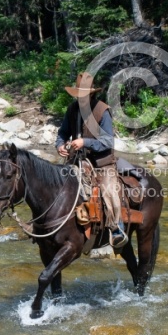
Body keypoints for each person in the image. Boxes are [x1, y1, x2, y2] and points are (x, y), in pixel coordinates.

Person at [55, 72, 128, 249]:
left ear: (92, 94)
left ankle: (117, 229)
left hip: (101, 163)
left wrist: (84, 142)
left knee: (110, 191)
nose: (80, 99)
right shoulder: (72, 109)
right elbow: (62, 133)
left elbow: (108, 141)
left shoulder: (102, 111)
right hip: (76, 162)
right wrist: (60, 145)